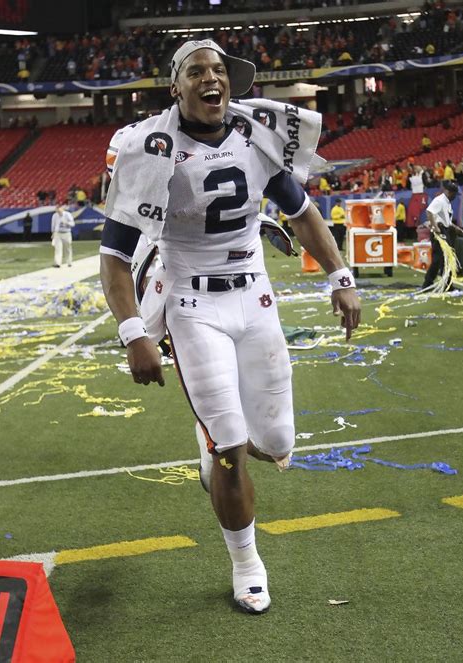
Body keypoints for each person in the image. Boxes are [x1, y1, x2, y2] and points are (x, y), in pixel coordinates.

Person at [99, 39, 361, 615]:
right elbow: (115, 257)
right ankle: (247, 563)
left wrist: (341, 276)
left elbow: (301, 212)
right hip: (192, 304)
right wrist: (133, 332)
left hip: (255, 298)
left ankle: (218, 438)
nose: (211, 79)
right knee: (231, 448)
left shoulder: (254, 136)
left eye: (220, 70)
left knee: (276, 444)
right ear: (177, 86)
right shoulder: (152, 146)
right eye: (197, 71)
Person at [422, 181, 463, 290]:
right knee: (438, 259)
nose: (455, 196)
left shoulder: (447, 203)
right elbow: (429, 212)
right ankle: (427, 283)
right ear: (449, 192)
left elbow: (447, 221)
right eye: (454, 194)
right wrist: (435, 227)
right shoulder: (440, 200)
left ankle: (448, 284)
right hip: (440, 231)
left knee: (448, 258)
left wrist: (456, 228)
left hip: (445, 230)